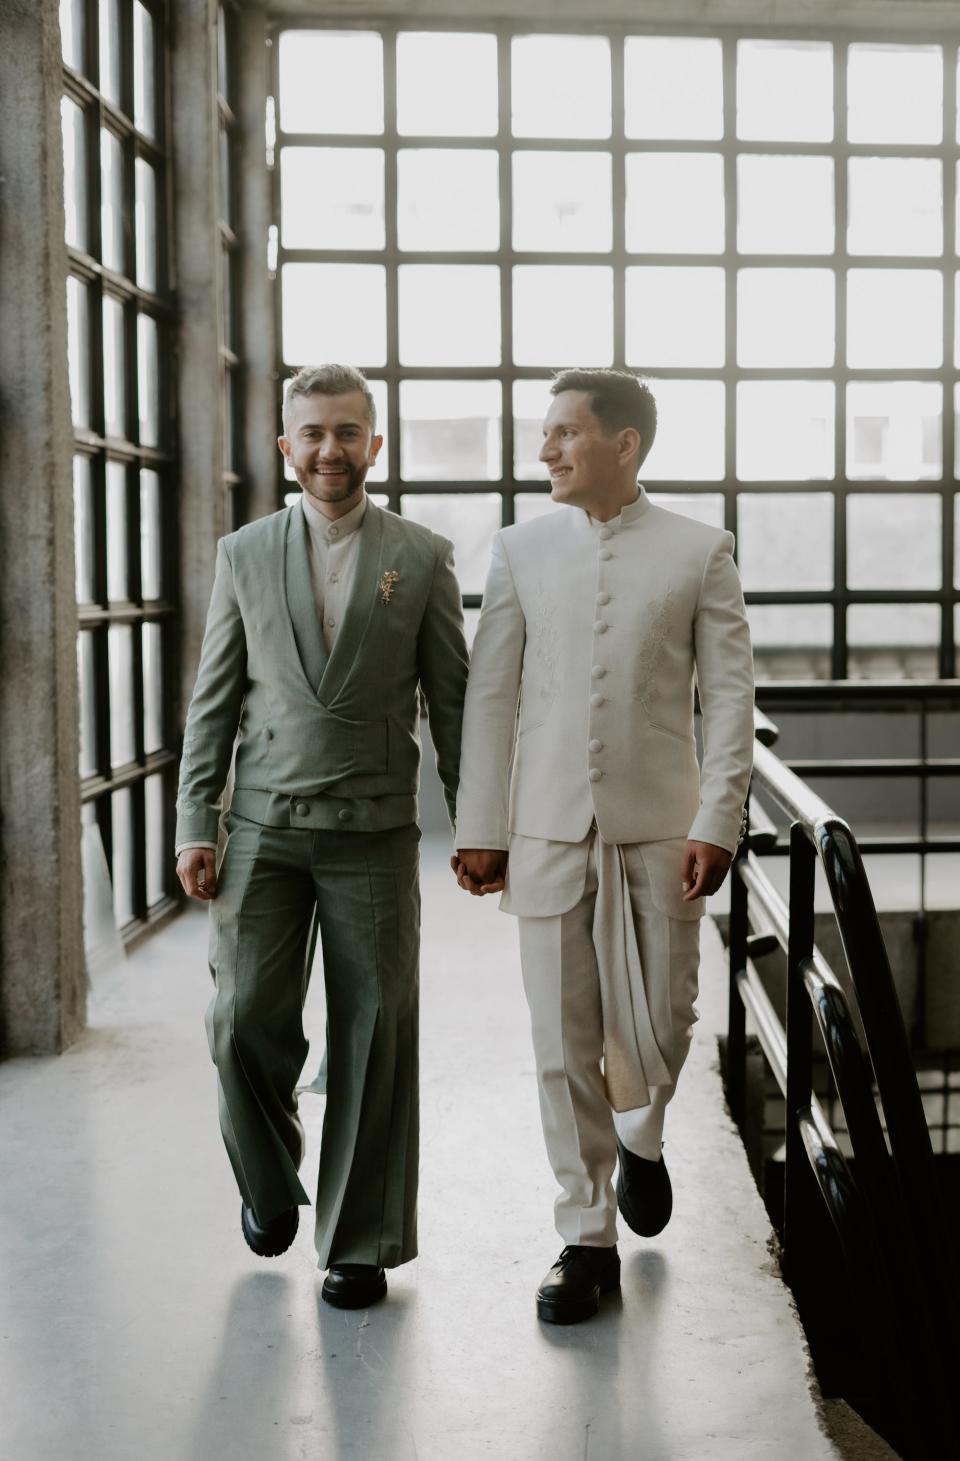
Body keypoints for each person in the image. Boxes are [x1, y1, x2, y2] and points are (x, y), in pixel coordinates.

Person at [453, 368, 754, 1325]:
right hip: (544, 832)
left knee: (662, 1025)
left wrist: (718, 818)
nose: (546, 451)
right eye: (544, 434)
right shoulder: (518, 548)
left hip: (664, 832)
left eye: (564, 433)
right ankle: (585, 1239)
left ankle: (645, 1134)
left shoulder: (701, 550)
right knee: (562, 1042)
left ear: (624, 445)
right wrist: (479, 827)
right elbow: (490, 695)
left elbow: (733, 698)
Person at [175, 363, 468, 1308]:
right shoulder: (244, 553)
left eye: (348, 432)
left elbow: (453, 703)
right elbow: (212, 702)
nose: (330, 450)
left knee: (376, 1027)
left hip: (376, 832)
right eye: (313, 433)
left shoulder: (421, 555)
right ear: (285, 447)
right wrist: (194, 822)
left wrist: (480, 826)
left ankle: (358, 1239)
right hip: (261, 826)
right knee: (236, 1021)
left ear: (374, 445)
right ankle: (269, 1180)